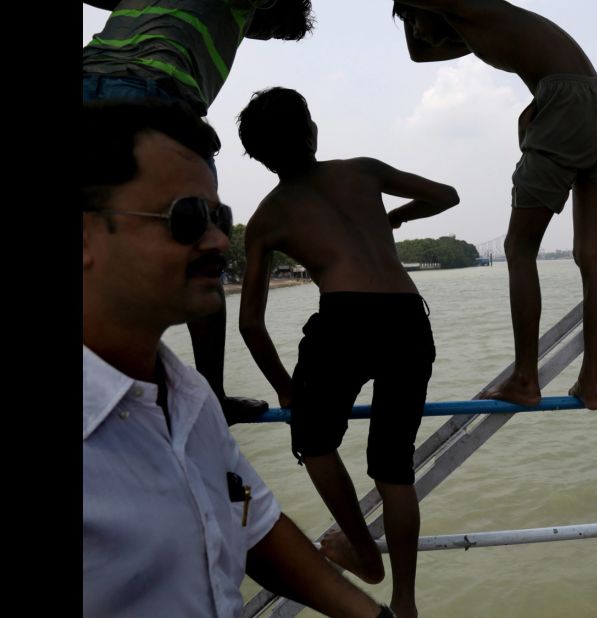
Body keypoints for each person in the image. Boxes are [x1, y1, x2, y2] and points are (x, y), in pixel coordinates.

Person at [82, 99, 393, 618]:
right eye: (186, 218)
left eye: (219, 216)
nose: (220, 240)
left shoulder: (190, 397)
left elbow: (254, 526)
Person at [237, 87, 460, 618]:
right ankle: (404, 603)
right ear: (313, 131)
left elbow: (249, 325)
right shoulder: (361, 170)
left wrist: (285, 390)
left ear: (262, 159)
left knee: (313, 441)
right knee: (393, 467)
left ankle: (363, 553)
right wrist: (397, 218)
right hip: (408, 318)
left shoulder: (266, 218)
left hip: (346, 320)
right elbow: (446, 195)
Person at [83, 0, 317, 423]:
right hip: (154, 88)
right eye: (265, 28)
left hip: (88, 78)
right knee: (201, 244)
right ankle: (212, 398)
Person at [392, 0, 597, 410]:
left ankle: (525, 379)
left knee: (518, 248)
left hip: (565, 104)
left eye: (411, 17)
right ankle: (590, 382)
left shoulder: (471, 8)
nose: (413, 27)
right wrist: (408, 15)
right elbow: (418, 53)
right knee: (590, 253)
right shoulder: (472, 30)